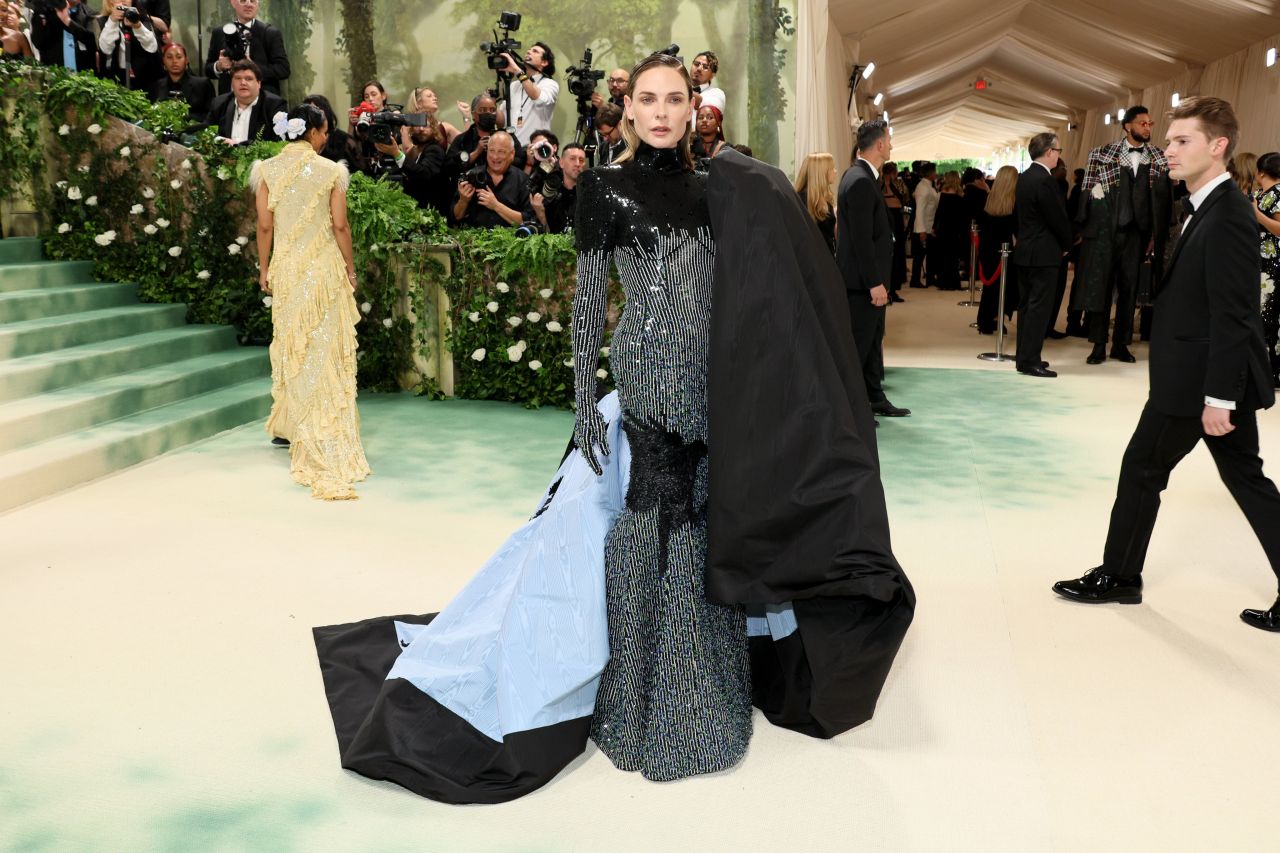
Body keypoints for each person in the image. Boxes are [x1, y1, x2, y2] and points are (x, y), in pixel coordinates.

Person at [1052, 97, 1280, 633]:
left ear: (1218, 146)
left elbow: (1235, 315)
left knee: (1142, 471)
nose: (1168, 150)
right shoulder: (1208, 206)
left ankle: (1119, 575)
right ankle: (1121, 575)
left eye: (1182, 141)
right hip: (1201, 378)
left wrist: (1221, 396)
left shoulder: (1227, 215)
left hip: (1200, 384)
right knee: (1246, 479)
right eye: (1168, 140)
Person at [250, 103, 369, 501]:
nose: (325, 138)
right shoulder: (331, 171)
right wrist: (351, 269)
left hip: (287, 271)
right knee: (324, 351)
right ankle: (320, 427)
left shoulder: (266, 169)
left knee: (291, 347)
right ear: (314, 132)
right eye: (324, 132)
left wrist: (264, 269)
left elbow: (264, 225)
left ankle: (294, 426)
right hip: (323, 273)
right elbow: (339, 225)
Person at [1073, 106, 1174, 365]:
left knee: (1130, 289)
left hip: (1137, 234)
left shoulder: (1159, 157)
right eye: (1143, 123)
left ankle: (1121, 344)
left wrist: (1155, 234)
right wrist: (1085, 231)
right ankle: (1098, 344)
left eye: (1150, 124)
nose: (1148, 128)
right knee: (1101, 287)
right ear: (1128, 126)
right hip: (1107, 231)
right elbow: (1087, 192)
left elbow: (1165, 201)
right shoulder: (1101, 154)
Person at [837, 120, 911, 419]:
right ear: (879, 144)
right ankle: (850, 410)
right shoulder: (859, 180)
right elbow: (861, 241)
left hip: (864, 281)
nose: (891, 145)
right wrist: (874, 283)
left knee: (870, 344)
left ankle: (874, 398)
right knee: (858, 346)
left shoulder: (861, 177)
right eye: (889, 140)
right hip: (862, 283)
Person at [1013, 132, 1072, 378]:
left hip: (1026, 249)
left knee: (1027, 306)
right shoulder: (1045, 181)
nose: (1059, 155)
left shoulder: (1025, 177)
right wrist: (1068, 242)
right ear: (1049, 152)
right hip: (1044, 252)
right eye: (1058, 151)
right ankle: (1030, 360)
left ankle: (1024, 357)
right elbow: (1056, 217)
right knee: (1039, 308)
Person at [205, 0, 289, 96]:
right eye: (243, 0)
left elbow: (283, 69)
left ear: (257, 4)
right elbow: (208, 70)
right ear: (233, 3)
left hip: (263, 101)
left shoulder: (270, 33)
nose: (248, 4)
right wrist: (219, 66)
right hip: (229, 102)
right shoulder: (219, 32)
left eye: (252, 1)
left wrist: (253, 67)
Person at [450, 130, 529, 229]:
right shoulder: (471, 176)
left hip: (511, 242)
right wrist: (463, 201)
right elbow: (455, 217)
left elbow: (527, 222)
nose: (495, 157)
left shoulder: (522, 180)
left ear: (512, 154)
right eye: (492, 151)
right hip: (474, 241)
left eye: (501, 152)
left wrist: (496, 205)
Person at [975, 165, 1019, 335]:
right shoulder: (1013, 204)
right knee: (1003, 289)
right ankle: (993, 318)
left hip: (988, 249)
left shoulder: (989, 199)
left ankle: (986, 319)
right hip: (1004, 251)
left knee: (990, 289)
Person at [204, 59, 285, 145]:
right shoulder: (219, 103)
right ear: (232, 83)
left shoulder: (274, 105)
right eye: (238, 78)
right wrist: (219, 141)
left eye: (248, 79)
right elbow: (206, 132)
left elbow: (278, 142)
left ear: (259, 83)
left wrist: (237, 144)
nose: (243, 83)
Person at [500, 40, 557, 147]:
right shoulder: (514, 85)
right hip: (510, 152)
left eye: (535, 51)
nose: (528, 52)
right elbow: (501, 120)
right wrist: (491, 102)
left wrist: (517, 71)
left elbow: (539, 99)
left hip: (535, 150)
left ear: (544, 62)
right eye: (528, 50)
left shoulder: (550, 84)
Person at [1255, 152, 1280, 386]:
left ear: (1260, 171)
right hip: (1254, 260)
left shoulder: (1279, 193)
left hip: (1273, 262)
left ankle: (1272, 371)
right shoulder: (1257, 194)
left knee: (1269, 316)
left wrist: (1257, 215)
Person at [96, 1, 159, 89]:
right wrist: (113, 21)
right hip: (113, 81)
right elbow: (105, 49)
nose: (124, 0)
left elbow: (152, 48)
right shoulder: (102, 21)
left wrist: (137, 26)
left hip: (141, 79)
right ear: (110, 2)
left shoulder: (142, 17)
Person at [528, 141, 584, 234]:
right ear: (561, 163)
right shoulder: (550, 194)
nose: (577, 163)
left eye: (581, 160)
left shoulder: (589, 194)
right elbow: (547, 238)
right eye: (572, 159)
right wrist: (541, 214)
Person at [147, 43, 214, 119]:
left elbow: (211, 116)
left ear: (186, 60)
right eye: (169, 57)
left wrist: (186, 118)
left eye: (179, 57)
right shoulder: (156, 87)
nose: (174, 61)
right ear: (163, 61)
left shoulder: (202, 85)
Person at [29, 0, 96, 73]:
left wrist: (68, 21)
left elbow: (93, 41)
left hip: (83, 76)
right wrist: (42, 13)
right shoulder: (45, 12)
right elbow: (38, 42)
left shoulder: (90, 14)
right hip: (53, 75)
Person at [303, 93, 361, 170]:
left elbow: (361, 172)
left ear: (326, 113)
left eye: (316, 111)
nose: (313, 116)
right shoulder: (302, 142)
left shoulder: (343, 139)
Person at [794, 151, 837, 254]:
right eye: (832, 168)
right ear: (821, 173)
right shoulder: (802, 201)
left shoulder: (825, 200)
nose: (835, 171)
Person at [931, 171, 966, 290]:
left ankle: (944, 282)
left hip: (944, 229)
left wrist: (934, 227)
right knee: (953, 257)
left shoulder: (942, 193)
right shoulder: (960, 195)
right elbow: (962, 216)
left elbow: (939, 213)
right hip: (955, 230)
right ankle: (954, 282)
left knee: (943, 256)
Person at [882, 161, 909, 301]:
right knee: (889, 256)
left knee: (897, 254)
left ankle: (893, 289)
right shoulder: (879, 185)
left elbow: (904, 201)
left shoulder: (897, 185)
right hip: (887, 222)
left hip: (896, 221)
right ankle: (887, 289)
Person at [910, 162, 938, 287]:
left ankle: (929, 278)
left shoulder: (927, 186)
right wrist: (921, 230)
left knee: (929, 254)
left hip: (928, 226)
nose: (936, 174)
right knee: (919, 256)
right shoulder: (923, 188)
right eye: (934, 171)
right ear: (931, 173)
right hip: (923, 227)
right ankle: (915, 280)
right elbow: (919, 210)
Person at [690, 50, 725, 116]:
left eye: (705, 67)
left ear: (713, 75)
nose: (699, 69)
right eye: (696, 64)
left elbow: (706, 107)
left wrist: (682, 89)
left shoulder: (717, 93)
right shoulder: (681, 90)